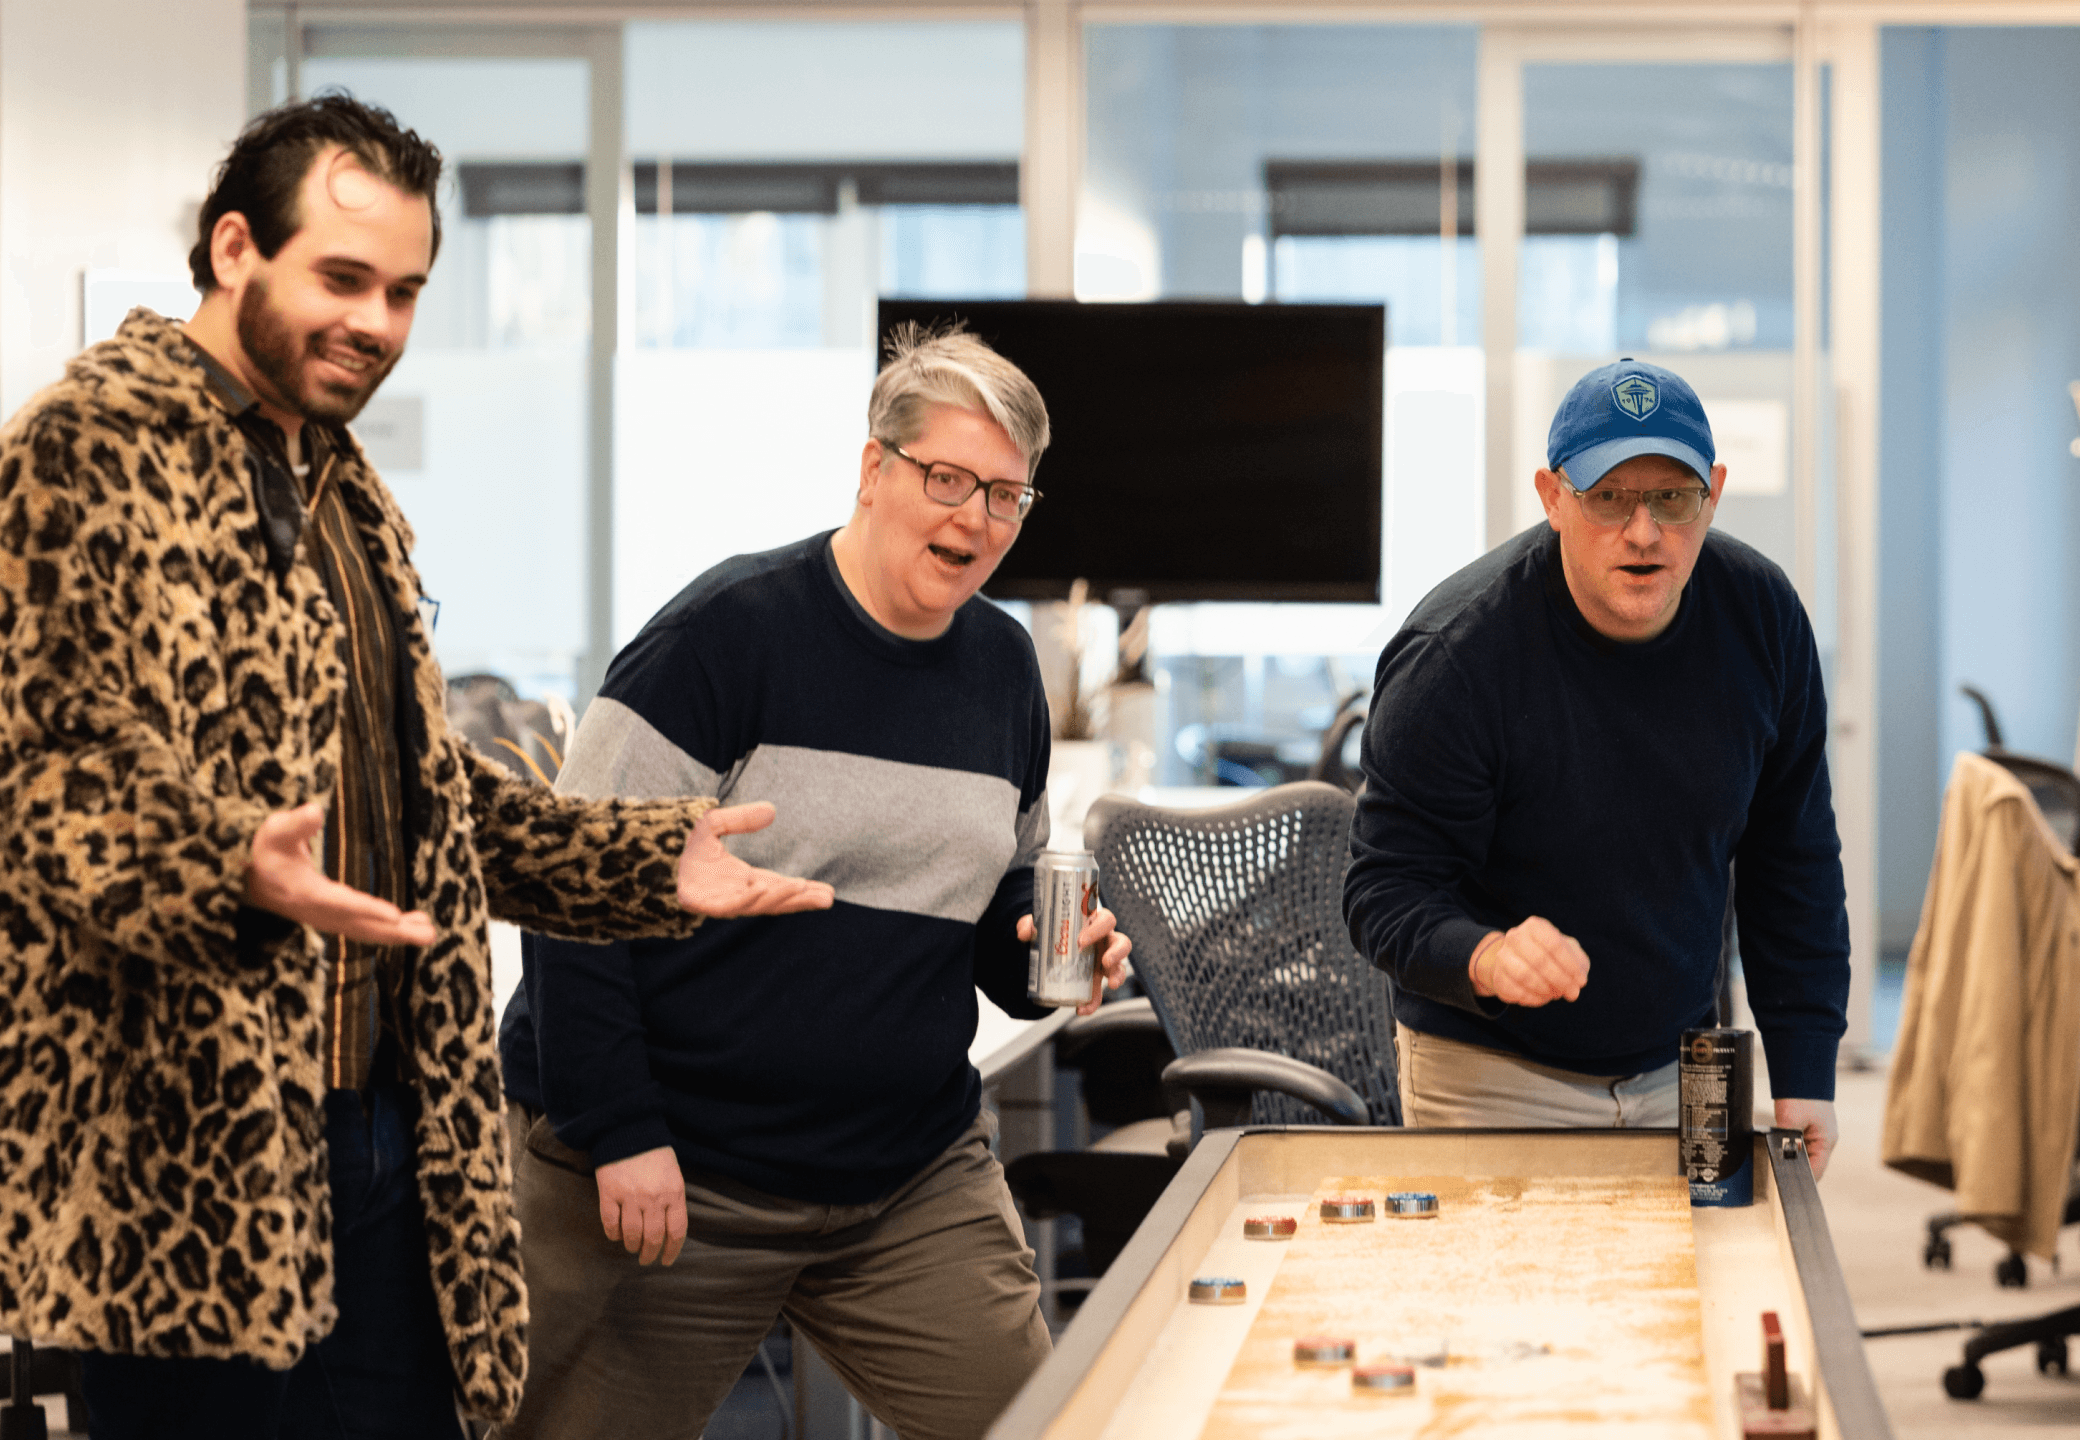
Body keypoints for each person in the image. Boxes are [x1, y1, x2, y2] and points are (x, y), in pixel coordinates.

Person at [0, 95, 832, 1440]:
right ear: (233, 248)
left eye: (403, 292)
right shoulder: (88, 447)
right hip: (187, 1151)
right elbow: (52, 776)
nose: (376, 323)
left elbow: (425, 790)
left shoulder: (338, 481)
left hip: (393, 1121)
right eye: (342, 279)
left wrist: (635, 859)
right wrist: (229, 864)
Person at [495, 324, 1133, 1440]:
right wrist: (622, 1131)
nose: (974, 520)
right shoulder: (722, 637)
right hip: (680, 1172)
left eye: (1005, 496)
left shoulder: (1002, 670)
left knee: (1036, 1427)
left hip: (906, 1177)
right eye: (947, 479)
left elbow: (997, 897)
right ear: (873, 469)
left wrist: (1046, 955)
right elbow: (570, 892)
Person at [1344, 358, 1850, 1178]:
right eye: (1608, 497)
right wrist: (1484, 954)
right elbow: (1383, 891)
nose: (1643, 531)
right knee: (1513, 1271)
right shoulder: (1456, 657)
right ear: (1552, 498)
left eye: (1673, 498)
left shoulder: (1762, 619)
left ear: (1714, 494)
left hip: (1686, 1060)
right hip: (1493, 1071)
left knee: (1705, 1263)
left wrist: (1805, 1070)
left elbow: (1792, 861)